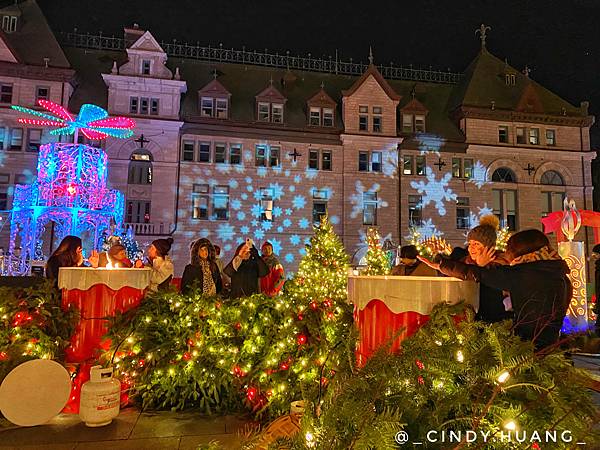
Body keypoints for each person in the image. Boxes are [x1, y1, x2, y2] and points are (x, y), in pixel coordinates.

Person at [419, 229, 572, 350]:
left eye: (510, 249)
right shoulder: (558, 273)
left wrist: (442, 266)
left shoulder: (524, 273)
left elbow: (480, 275)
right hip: (549, 343)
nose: (507, 253)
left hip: (527, 345)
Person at [463, 216, 513, 323]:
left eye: (476, 244)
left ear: (489, 247)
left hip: (493, 324)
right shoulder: (465, 262)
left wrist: (481, 268)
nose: (471, 248)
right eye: (470, 243)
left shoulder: (500, 265)